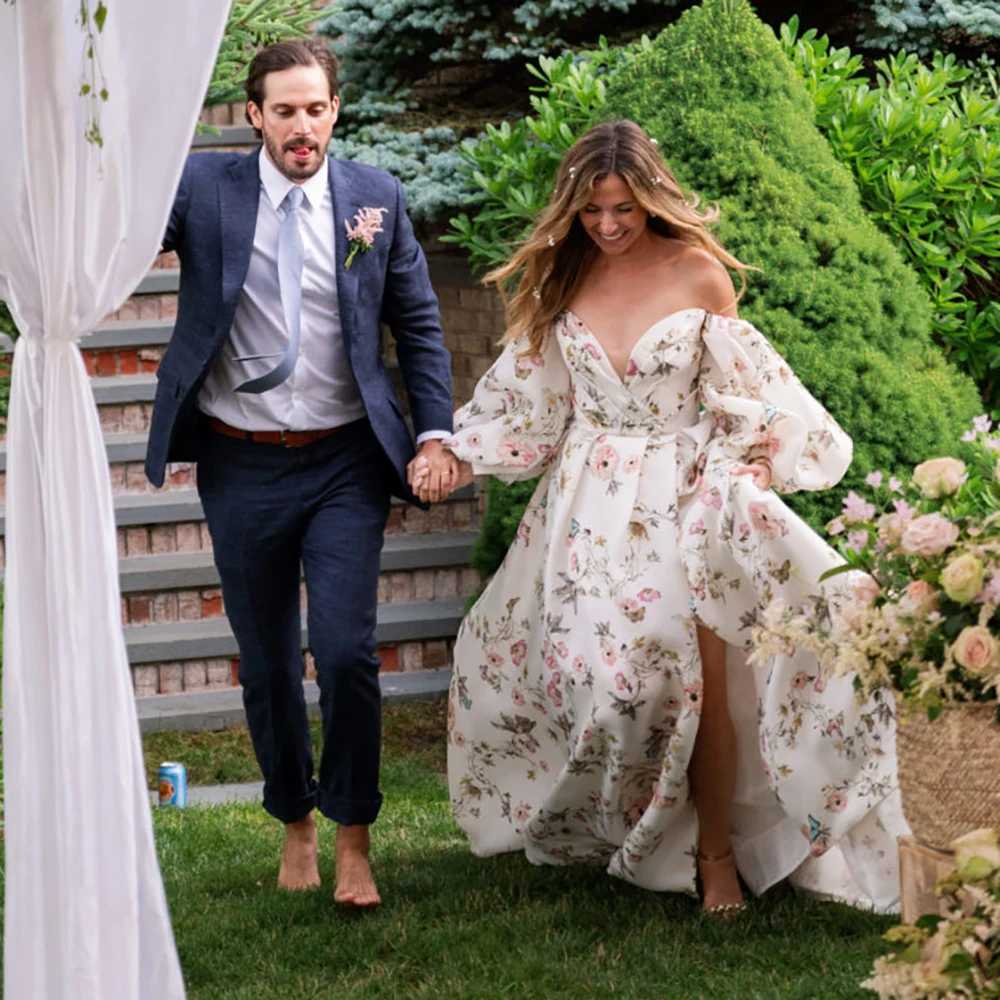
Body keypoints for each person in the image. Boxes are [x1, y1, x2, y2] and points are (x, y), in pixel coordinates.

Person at [411, 119, 906, 914]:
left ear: (651, 201)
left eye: (624, 209)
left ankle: (712, 855)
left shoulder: (699, 275)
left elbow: (749, 389)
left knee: (695, 683)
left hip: (688, 494)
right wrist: (454, 452)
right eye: (593, 211)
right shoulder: (561, 279)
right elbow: (531, 402)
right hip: (587, 502)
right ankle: (624, 826)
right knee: (603, 678)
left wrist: (760, 457)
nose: (608, 226)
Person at [147, 39, 457, 906]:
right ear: (254, 115)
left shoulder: (375, 199)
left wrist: (434, 436)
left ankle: (354, 836)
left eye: (315, 109)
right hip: (240, 461)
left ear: (334, 110)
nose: (302, 126)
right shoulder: (205, 191)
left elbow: (421, 329)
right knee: (270, 662)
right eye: (284, 110)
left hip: (344, 461)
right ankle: (295, 820)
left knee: (347, 650)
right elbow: (123, 234)